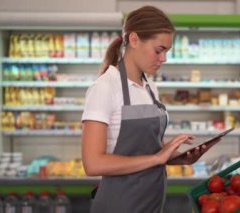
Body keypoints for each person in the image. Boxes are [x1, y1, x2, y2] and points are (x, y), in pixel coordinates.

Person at [81, 5, 209, 213]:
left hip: (151, 202)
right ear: (133, 39)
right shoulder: (105, 87)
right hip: (119, 205)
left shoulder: (150, 87)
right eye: (159, 50)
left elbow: (146, 147)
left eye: (166, 51)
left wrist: (176, 157)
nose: (164, 58)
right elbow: (93, 163)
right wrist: (157, 158)